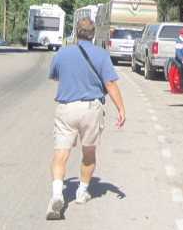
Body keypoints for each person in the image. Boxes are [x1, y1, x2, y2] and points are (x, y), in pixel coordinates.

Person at [46, 17, 126, 220]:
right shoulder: (100, 55)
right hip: (91, 108)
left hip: (66, 108)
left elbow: (55, 76)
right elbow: (110, 84)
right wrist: (121, 108)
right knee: (89, 151)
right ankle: (82, 191)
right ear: (93, 33)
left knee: (60, 154)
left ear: (76, 32)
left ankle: (57, 194)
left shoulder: (63, 52)